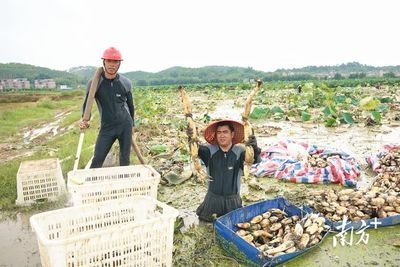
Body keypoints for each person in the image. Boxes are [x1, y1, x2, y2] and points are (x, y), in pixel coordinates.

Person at [188, 119, 261, 222]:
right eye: (219, 132)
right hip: (212, 200)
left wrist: (254, 148)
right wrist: (191, 137)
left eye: (225, 132)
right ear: (216, 135)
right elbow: (194, 150)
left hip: (233, 201)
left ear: (232, 134)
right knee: (206, 223)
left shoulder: (240, 151)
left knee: (234, 225)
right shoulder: (209, 150)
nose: (222, 135)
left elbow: (255, 160)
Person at [79, 47, 135, 168]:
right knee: (97, 160)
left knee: (125, 159)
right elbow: (87, 103)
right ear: (104, 62)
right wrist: (84, 119)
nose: (112, 65)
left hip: (125, 125)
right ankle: (91, 185)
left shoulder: (126, 83)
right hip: (107, 128)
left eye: (115, 62)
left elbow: (131, 106)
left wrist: (132, 125)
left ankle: (124, 184)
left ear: (119, 64)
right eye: (109, 61)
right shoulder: (94, 83)